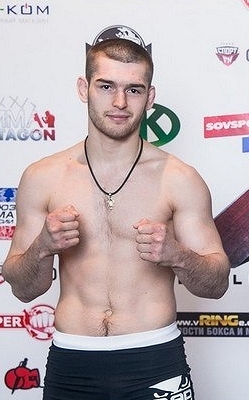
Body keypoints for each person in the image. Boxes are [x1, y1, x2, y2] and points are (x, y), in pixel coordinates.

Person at [2, 38, 230, 399]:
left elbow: (216, 285)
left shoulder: (180, 180)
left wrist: (177, 254)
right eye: (106, 86)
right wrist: (43, 247)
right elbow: (23, 288)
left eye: (133, 90)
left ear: (150, 97)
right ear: (84, 88)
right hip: (72, 361)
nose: (120, 102)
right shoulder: (43, 177)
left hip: (155, 358)